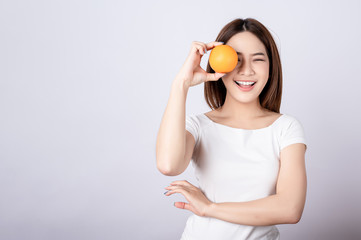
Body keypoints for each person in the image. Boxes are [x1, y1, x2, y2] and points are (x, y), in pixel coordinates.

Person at [156, 17, 307, 240]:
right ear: (218, 64)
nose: (246, 71)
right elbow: (168, 165)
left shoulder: (286, 128)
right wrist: (181, 84)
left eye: (257, 59)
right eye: (235, 60)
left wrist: (210, 208)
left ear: (270, 66)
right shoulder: (198, 126)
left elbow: (290, 208)